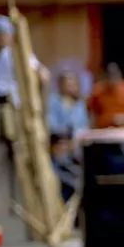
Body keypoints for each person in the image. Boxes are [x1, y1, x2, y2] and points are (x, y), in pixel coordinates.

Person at [47, 71, 90, 200]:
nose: (71, 86)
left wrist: (74, 142)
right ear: (61, 85)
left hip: (76, 149)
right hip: (59, 147)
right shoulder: (54, 102)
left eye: (73, 83)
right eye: (68, 83)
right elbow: (52, 125)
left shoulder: (79, 105)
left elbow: (84, 127)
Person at [88, 62, 124, 128]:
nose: (112, 78)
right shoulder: (98, 90)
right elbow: (91, 111)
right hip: (102, 130)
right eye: (109, 75)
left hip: (123, 130)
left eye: (114, 75)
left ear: (119, 74)